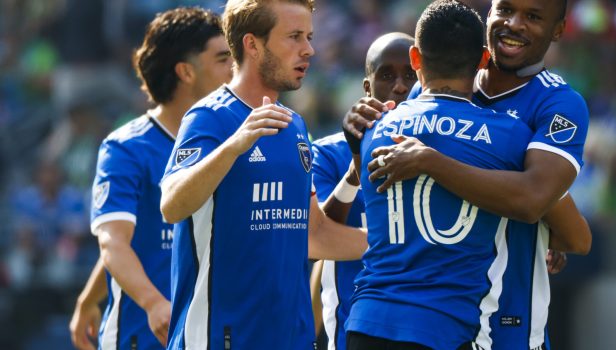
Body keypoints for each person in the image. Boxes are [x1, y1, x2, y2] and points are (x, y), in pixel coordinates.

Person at [344, 0, 589, 348]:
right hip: (447, 322)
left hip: (512, 324)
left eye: (533, 17)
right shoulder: (429, 92)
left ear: (558, 29)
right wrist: (357, 137)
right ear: (488, 14)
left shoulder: (559, 104)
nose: (515, 24)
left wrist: (431, 160)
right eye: (504, 9)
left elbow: (553, 215)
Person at [158, 1, 367, 348]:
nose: (309, 49)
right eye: (294, 37)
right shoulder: (210, 117)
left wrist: (401, 241)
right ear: (252, 44)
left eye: (310, 37)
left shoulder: (295, 125)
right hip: (220, 339)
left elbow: (314, 233)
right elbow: (171, 204)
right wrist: (235, 145)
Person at [68, 7, 233, 350]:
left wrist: (88, 301)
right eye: (222, 58)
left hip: (212, 336)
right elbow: (114, 242)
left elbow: (126, 244)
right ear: (186, 72)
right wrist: (152, 302)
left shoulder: (231, 143)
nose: (234, 69)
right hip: (142, 338)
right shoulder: (126, 147)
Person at [312, 32, 417, 350]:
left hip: (429, 331)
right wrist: (355, 172)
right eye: (387, 75)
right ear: (367, 88)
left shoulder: (442, 149)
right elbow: (318, 238)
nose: (400, 86)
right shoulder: (327, 153)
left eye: (410, 75)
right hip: (353, 336)